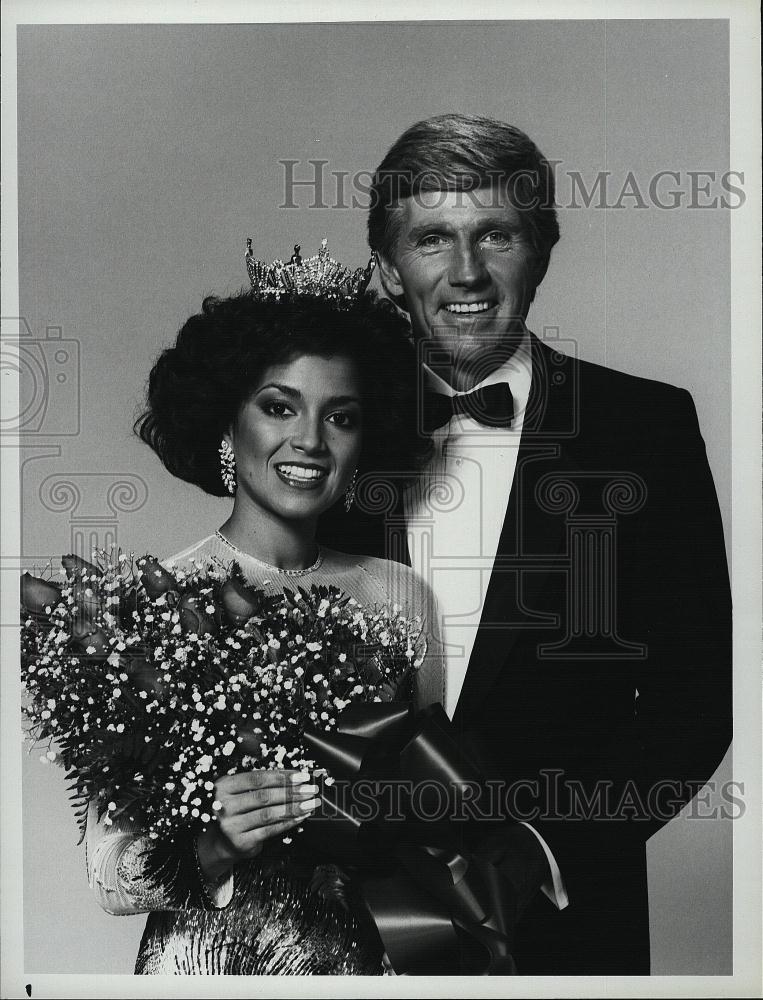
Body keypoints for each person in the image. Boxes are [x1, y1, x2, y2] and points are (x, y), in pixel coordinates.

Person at [318, 114, 732, 975]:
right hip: (335, 913)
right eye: (432, 238)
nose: (465, 272)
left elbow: (697, 693)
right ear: (389, 267)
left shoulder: (644, 427)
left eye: (495, 235)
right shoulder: (326, 431)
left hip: (565, 921)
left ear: (540, 250)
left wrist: (542, 852)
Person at [85, 255, 444, 975]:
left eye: (339, 417)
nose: (310, 440)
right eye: (278, 407)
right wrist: (217, 844)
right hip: (209, 966)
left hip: (367, 960)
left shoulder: (401, 594)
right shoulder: (150, 604)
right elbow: (108, 876)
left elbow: (434, 813)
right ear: (226, 421)